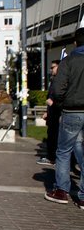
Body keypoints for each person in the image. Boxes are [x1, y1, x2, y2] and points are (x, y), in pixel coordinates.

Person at [44, 29, 84, 208]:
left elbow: (58, 88)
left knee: (64, 151)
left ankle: (61, 190)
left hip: (72, 110)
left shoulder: (69, 61)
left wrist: (62, 104)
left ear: (75, 42)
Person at [38, 60, 61, 166]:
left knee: (55, 136)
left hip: (57, 114)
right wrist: (47, 111)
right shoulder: (54, 80)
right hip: (52, 113)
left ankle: (53, 158)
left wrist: (53, 104)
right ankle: (52, 156)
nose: (51, 69)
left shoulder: (61, 80)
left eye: (53, 67)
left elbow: (60, 97)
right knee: (51, 136)